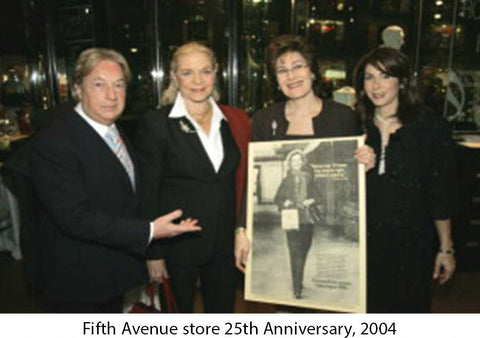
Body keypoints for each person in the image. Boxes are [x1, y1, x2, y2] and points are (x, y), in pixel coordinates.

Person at [29, 48, 201, 313]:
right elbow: (75, 218)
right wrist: (151, 232)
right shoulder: (55, 141)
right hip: (77, 285)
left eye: (118, 85)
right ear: (77, 88)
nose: (111, 95)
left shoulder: (113, 129)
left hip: (109, 277)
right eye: (99, 85)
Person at [235, 34, 375, 272]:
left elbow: (351, 177)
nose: (291, 76)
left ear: (312, 71)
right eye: (282, 70)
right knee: (294, 260)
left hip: (322, 213)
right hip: (290, 215)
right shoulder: (263, 119)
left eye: (298, 66)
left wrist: (365, 162)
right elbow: (251, 182)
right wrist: (242, 229)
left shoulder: (342, 117)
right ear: (275, 79)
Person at [134, 42, 250, 313]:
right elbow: (147, 191)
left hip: (224, 246)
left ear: (216, 73)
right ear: (174, 77)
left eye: (205, 71)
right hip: (176, 246)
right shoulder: (157, 123)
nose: (198, 81)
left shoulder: (234, 120)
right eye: (187, 73)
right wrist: (153, 253)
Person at [353, 47, 457, 313]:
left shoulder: (430, 127)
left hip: (413, 246)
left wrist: (446, 248)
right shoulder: (354, 126)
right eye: (369, 77)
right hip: (365, 246)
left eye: (385, 76)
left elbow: (440, 192)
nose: (376, 86)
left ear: (401, 82)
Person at [273, 149, 319, 299]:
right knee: (295, 253)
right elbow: (277, 199)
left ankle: (299, 279)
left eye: (299, 160)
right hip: (292, 219)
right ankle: (297, 287)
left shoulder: (309, 177)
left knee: (304, 250)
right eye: (294, 161)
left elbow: (318, 195)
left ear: (302, 162)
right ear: (290, 163)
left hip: (307, 220)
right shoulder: (286, 180)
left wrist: (311, 200)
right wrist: (284, 202)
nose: (297, 163)